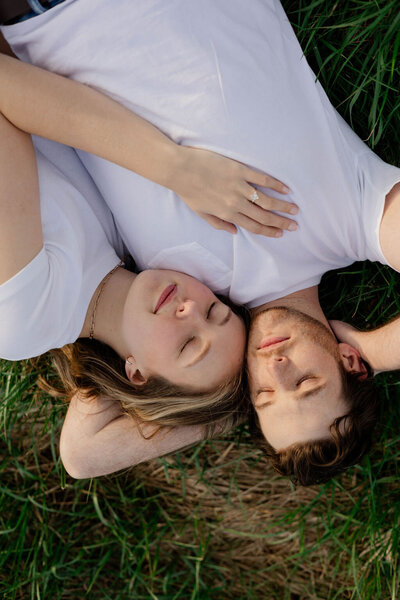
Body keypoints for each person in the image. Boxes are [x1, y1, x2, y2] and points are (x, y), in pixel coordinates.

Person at [2, 0, 399, 483]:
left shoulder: (185, 299)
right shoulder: (355, 219)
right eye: (307, 382)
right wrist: (375, 351)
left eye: (267, 396)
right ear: (347, 363)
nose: (275, 367)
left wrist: (228, 411)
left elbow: (83, 454)